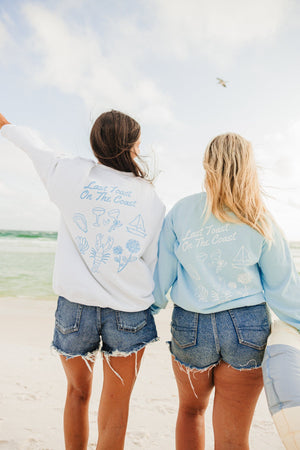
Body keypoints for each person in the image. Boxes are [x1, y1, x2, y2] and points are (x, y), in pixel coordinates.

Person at [0, 110, 165, 450]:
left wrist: (5, 123)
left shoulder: (68, 172)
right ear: (133, 147)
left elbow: (29, 143)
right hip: (129, 312)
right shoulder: (150, 197)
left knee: (77, 393)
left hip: (75, 310)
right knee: (117, 405)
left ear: (95, 143)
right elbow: (153, 261)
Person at [152, 132, 300, 450]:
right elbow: (282, 287)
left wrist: (147, 311)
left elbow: (161, 277)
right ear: (249, 168)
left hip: (191, 327)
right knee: (233, 438)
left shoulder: (181, 211)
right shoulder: (261, 219)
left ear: (207, 165)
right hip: (247, 329)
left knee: (191, 412)